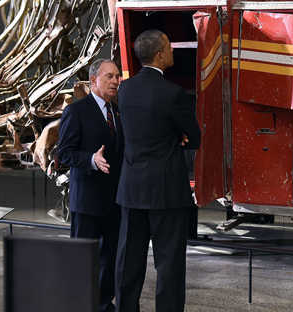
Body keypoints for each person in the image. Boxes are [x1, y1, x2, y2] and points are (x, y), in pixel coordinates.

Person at [115, 29, 201, 312]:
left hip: (131, 189)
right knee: (169, 264)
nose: (173, 51)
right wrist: (176, 133)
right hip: (166, 192)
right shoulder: (173, 93)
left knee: (128, 260)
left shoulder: (124, 89)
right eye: (169, 47)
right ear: (159, 55)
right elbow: (195, 137)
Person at [58, 58, 124, 312]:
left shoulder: (118, 112)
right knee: (83, 259)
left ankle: (103, 303)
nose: (115, 81)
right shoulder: (76, 111)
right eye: (109, 76)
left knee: (110, 256)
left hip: (115, 200)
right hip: (87, 199)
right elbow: (64, 153)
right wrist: (91, 160)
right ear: (93, 80)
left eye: (117, 77)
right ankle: (78, 304)